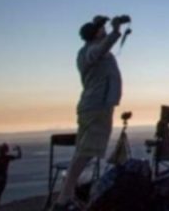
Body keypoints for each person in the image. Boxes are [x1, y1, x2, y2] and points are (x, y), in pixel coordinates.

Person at [53, 14, 129, 211]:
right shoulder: (90, 52)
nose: (104, 33)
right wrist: (115, 31)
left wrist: (102, 25)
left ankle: (66, 196)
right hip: (97, 107)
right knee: (85, 153)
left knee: (82, 152)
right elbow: (101, 48)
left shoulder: (89, 50)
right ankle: (63, 200)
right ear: (95, 35)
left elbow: (101, 44)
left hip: (93, 107)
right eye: (100, 31)